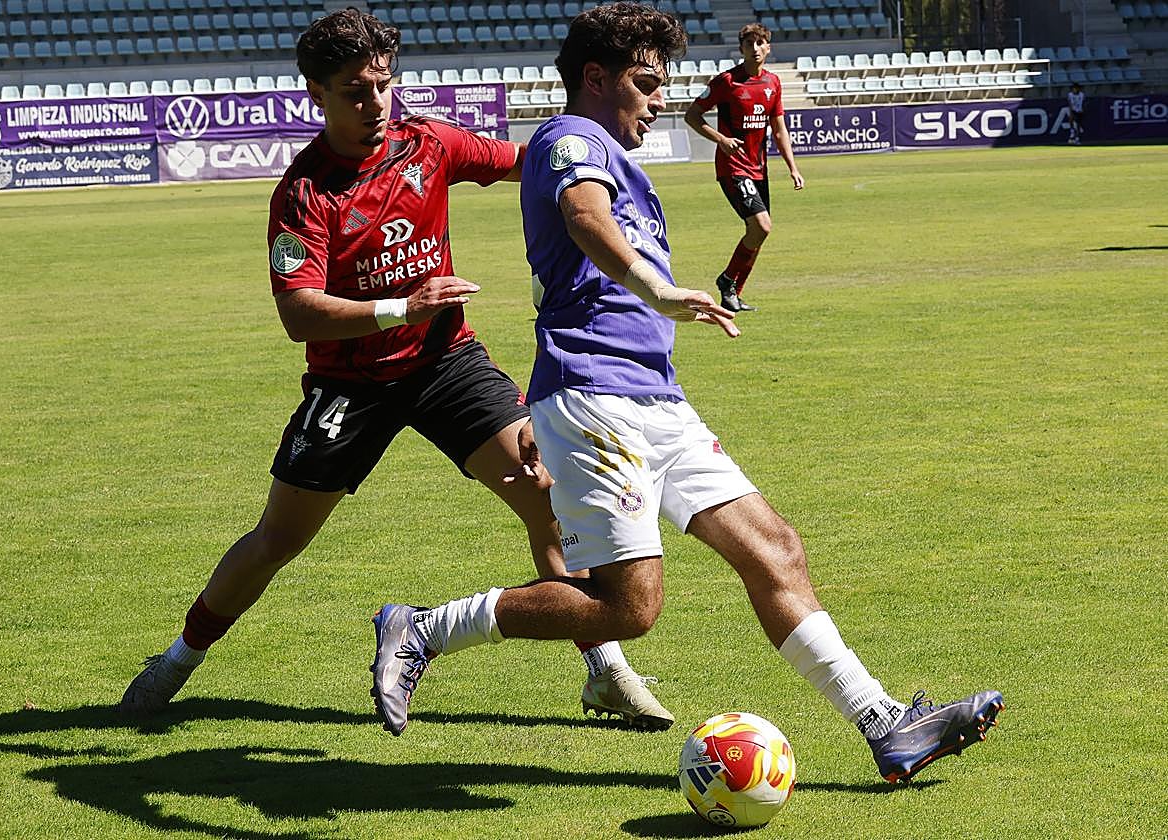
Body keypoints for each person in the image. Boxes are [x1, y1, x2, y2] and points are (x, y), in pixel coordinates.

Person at [370, 2, 1004, 785]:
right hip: (597, 398)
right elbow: (583, 216)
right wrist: (656, 288)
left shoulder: (609, 150)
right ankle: (424, 628)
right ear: (596, 78)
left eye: (662, 82)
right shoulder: (573, 139)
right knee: (629, 608)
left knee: (776, 549)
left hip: (654, 397)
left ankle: (885, 727)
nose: (658, 98)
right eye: (645, 82)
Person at [119, 7, 673, 731]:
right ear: (315, 93)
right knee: (277, 541)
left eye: (383, 85)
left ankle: (607, 672)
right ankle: (175, 662)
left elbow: (527, 162)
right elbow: (300, 314)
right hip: (350, 384)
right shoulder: (305, 193)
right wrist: (400, 306)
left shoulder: (428, 144)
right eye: (354, 90)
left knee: (546, 496)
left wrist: (582, 162)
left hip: (447, 362)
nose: (375, 103)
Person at [683, 22, 803, 314]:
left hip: (759, 169)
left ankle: (732, 291)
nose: (755, 48)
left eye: (760, 43)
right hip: (733, 167)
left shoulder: (773, 83)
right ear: (741, 49)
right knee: (761, 226)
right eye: (749, 44)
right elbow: (692, 115)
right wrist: (721, 139)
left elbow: (779, 129)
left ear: (768, 47)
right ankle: (727, 282)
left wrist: (792, 167)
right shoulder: (727, 82)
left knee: (759, 233)